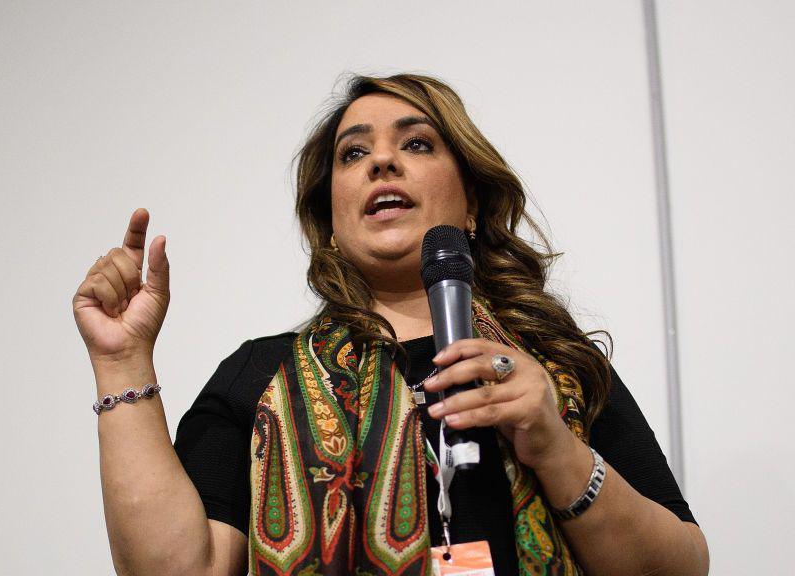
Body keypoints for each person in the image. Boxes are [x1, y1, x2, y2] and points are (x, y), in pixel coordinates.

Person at [72, 73, 710, 575]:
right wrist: (121, 361)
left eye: (416, 143)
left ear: (471, 203)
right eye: (354, 154)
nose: (381, 163)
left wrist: (553, 446)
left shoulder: (556, 368)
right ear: (331, 217)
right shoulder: (258, 376)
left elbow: (680, 567)